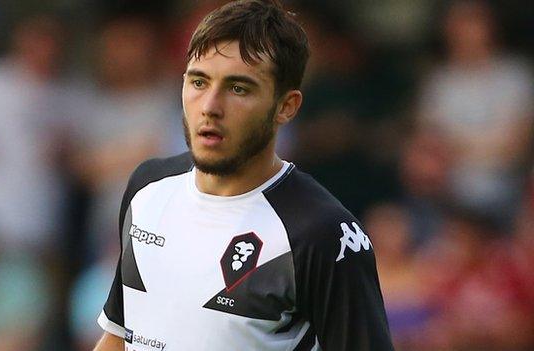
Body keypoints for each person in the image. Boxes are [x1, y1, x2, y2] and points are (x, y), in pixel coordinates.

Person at [95, 1, 393, 350]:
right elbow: (118, 336)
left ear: (287, 106)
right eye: (199, 81)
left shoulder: (322, 233)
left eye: (238, 88)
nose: (210, 106)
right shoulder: (147, 188)